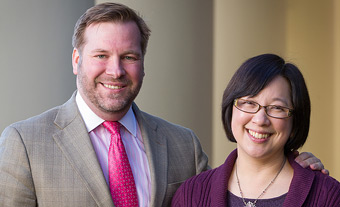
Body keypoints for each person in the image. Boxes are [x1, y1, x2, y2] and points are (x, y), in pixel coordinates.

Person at [0, 3, 328, 207]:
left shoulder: (182, 144)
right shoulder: (25, 143)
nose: (115, 70)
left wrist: (294, 166)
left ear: (142, 64)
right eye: (101, 55)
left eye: (129, 57)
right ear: (76, 60)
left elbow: (227, 190)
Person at [172, 53, 340, 206]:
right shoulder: (191, 195)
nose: (260, 120)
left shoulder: (328, 196)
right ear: (231, 110)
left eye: (277, 108)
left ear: (295, 121)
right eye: (249, 103)